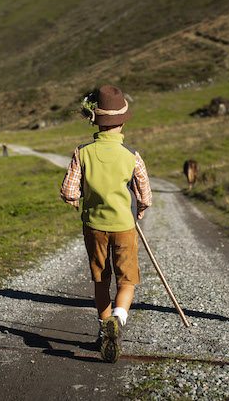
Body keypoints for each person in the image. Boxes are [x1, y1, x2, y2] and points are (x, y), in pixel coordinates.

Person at [60, 85, 152, 363]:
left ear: (95, 120)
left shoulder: (82, 152)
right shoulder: (132, 155)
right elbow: (145, 194)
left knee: (101, 280)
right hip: (124, 226)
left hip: (94, 227)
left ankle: (104, 330)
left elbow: (68, 191)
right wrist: (140, 211)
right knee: (127, 281)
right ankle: (118, 321)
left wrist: (79, 201)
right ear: (123, 122)